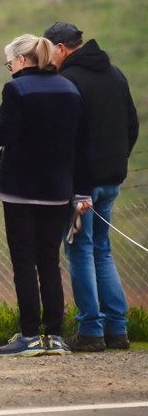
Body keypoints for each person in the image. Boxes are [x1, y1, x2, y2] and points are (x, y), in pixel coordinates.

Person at [0, 34, 91, 357]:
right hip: (57, 191)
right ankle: (55, 334)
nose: (9, 68)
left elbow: (7, 134)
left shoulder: (16, 89)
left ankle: (28, 335)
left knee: (24, 263)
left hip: (20, 191)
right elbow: (81, 145)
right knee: (50, 262)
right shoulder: (70, 89)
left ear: (22, 61)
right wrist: (80, 189)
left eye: (10, 62)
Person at [43, 22, 139, 352]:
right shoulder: (116, 74)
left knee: (80, 251)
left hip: (81, 186)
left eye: (48, 50)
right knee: (102, 249)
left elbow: (62, 137)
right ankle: (118, 329)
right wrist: (116, 163)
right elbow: (132, 124)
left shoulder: (67, 81)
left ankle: (91, 330)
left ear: (60, 48)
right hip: (111, 179)